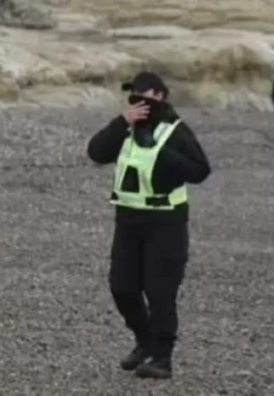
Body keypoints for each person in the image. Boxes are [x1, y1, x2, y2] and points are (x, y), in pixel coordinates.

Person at [86, 71, 211, 380]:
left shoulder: (176, 131)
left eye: (147, 97)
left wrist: (166, 160)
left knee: (160, 292)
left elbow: (200, 170)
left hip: (166, 221)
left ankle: (162, 359)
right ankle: (145, 342)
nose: (141, 103)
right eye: (135, 97)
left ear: (160, 96)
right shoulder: (126, 129)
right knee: (122, 287)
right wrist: (121, 122)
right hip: (127, 220)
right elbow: (96, 152)